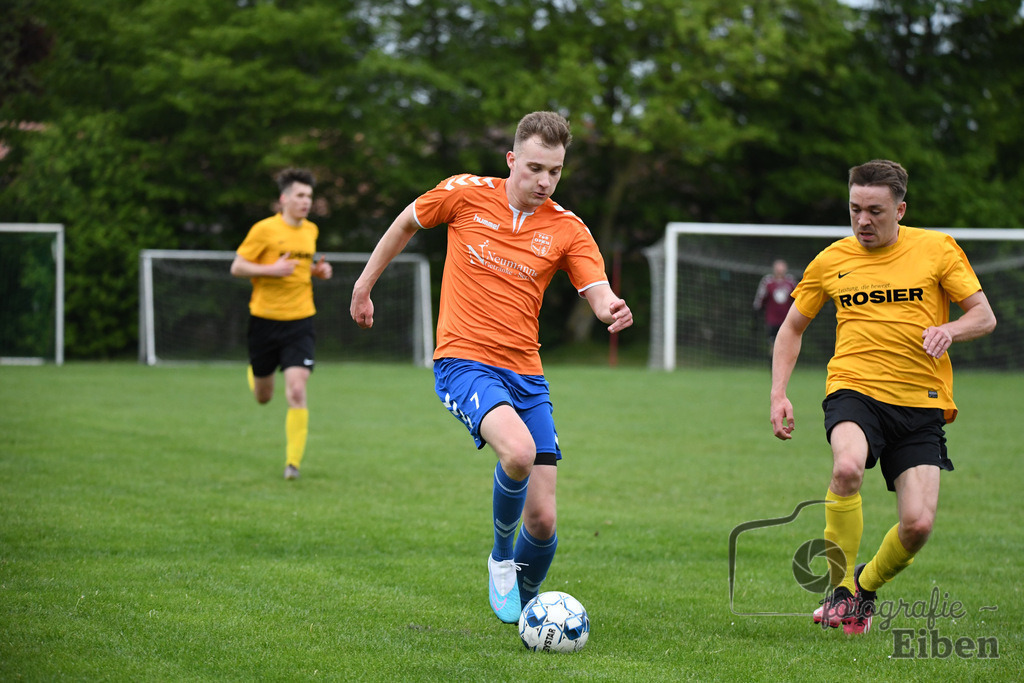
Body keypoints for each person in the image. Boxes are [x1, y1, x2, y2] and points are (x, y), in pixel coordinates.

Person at [350, 111, 633, 623]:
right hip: (463, 359)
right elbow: (405, 222)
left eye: (555, 171)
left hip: (526, 374)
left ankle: (529, 611)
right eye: (534, 168)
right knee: (519, 453)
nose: (544, 181)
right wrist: (364, 284)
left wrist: (612, 307)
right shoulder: (464, 193)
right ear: (511, 160)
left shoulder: (567, 228)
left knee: (544, 520)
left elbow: (596, 289)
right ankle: (500, 558)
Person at [769, 160, 996, 635]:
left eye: (875, 210)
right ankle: (837, 592)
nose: (863, 221)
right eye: (854, 209)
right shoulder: (832, 260)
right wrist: (779, 394)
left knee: (917, 525)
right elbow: (792, 327)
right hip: (854, 389)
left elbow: (984, 316)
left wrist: (949, 330)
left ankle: (863, 590)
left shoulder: (936, 250)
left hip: (921, 401)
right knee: (847, 467)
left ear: (900, 209)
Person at [231, 168, 333, 480]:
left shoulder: (311, 231)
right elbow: (237, 266)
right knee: (264, 397)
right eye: (300, 196)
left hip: (300, 321)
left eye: (309, 197)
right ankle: (256, 370)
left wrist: (318, 272)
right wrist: (271, 269)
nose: (306, 202)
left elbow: (302, 267)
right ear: (284, 198)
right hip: (264, 320)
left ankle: (293, 464)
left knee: (297, 391)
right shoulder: (263, 230)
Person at [753, 259, 797, 355]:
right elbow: (760, 300)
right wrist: (756, 313)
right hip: (772, 320)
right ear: (774, 269)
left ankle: (784, 367)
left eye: (782, 267)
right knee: (773, 345)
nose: (780, 270)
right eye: (778, 267)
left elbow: (798, 299)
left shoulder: (790, 282)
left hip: (786, 319)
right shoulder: (768, 282)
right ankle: (773, 367)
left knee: (785, 345)